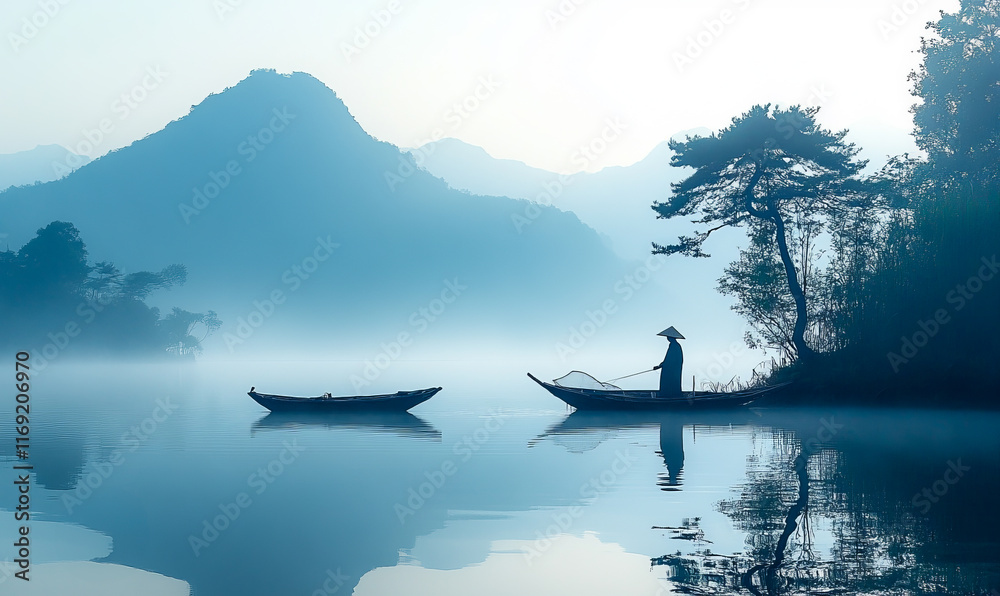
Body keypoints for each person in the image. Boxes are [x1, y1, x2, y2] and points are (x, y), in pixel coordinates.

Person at [653, 326, 684, 397]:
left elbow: (670, 359)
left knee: (668, 381)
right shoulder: (675, 345)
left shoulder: (674, 346)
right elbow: (668, 359)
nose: (667, 338)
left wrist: (661, 365)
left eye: (668, 337)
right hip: (673, 368)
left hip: (672, 369)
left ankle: (668, 395)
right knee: (672, 382)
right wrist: (661, 365)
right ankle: (671, 394)